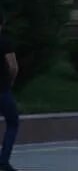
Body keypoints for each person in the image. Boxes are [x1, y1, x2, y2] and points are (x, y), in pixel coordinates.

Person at [0, 11, 18, 171]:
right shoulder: (5, 42)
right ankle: (3, 161)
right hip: (2, 90)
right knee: (12, 124)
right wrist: (11, 81)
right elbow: (13, 66)